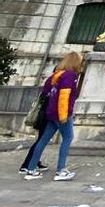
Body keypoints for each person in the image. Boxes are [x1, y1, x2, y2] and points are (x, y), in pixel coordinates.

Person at [23, 52, 83, 181]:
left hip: (50, 112)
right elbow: (64, 97)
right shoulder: (69, 76)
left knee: (43, 139)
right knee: (67, 138)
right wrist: (64, 116)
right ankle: (61, 170)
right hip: (61, 113)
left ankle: (31, 168)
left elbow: (46, 92)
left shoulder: (56, 75)